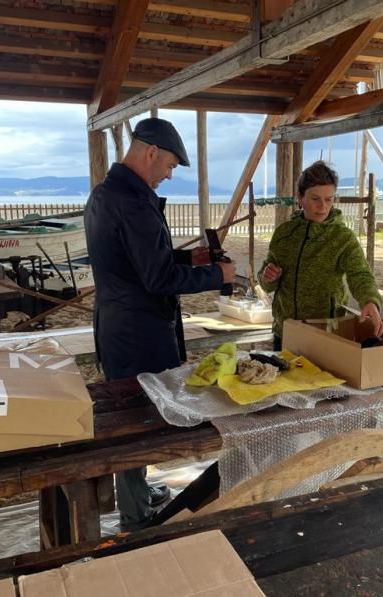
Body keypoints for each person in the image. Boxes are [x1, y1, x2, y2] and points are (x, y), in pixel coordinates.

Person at [84, 118, 236, 531]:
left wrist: (195, 259)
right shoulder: (134, 202)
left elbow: (145, 260)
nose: (169, 175)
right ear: (150, 152)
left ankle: (135, 491)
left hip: (116, 324)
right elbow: (159, 278)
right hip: (139, 332)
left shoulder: (105, 193)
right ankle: (136, 517)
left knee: (130, 415)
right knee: (139, 424)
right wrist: (217, 277)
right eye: (169, 165)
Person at [258, 160, 383, 350]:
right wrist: (268, 277)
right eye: (315, 198)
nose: (322, 207)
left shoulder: (343, 238)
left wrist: (370, 300)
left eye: (329, 199)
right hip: (285, 333)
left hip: (327, 334)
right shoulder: (284, 234)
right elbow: (267, 283)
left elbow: (360, 273)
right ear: (300, 197)